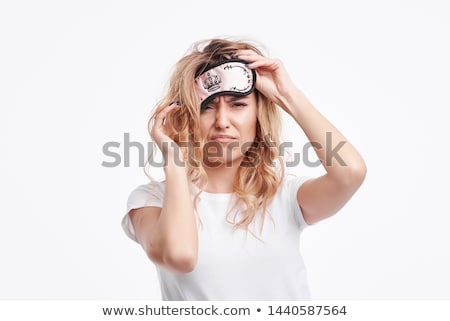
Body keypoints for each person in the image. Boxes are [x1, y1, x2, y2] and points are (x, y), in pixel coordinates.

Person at [121, 37, 366, 301]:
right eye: (206, 107)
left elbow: (350, 173)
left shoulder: (283, 196)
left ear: (259, 116)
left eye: (238, 105)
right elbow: (180, 256)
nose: (222, 121)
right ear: (185, 116)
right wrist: (175, 159)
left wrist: (288, 95)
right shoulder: (151, 201)